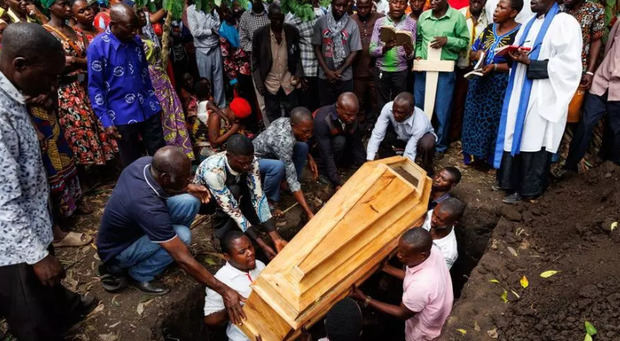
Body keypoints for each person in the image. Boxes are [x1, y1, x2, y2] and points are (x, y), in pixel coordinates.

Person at [0, 23, 97, 341]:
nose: (54, 84)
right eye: (49, 76)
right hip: (11, 244)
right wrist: (37, 255)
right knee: (30, 312)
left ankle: (65, 309)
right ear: (21, 65)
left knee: (48, 285)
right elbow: (4, 200)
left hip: (32, 217)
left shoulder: (11, 90)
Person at [96, 147, 246, 322]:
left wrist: (187, 187)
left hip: (138, 226)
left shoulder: (144, 164)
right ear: (165, 178)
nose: (189, 180)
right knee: (182, 236)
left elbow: (166, 189)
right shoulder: (147, 207)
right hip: (119, 250)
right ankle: (140, 274)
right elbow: (183, 257)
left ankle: (165, 246)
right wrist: (224, 290)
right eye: (184, 178)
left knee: (190, 201)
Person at [493, 0, 582, 204]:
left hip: (542, 93)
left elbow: (570, 66)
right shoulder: (528, 24)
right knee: (515, 133)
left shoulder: (565, 23)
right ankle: (509, 183)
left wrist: (531, 63)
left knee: (533, 137)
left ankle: (529, 190)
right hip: (519, 87)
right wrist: (512, 55)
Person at [87, 4, 166, 167]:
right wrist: (106, 120)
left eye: (136, 28)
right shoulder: (97, 46)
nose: (135, 32)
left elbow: (144, 74)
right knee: (132, 161)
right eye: (130, 28)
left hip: (147, 107)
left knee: (159, 154)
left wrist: (154, 102)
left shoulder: (135, 41)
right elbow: (95, 87)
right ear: (114, 25)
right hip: (121, 113)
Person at [43, 0, 118, 169]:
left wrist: (76, 61)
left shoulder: (74, 31)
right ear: (50, 7)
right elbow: (51, 65)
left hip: (85, 86)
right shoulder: (46, 33)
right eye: (63, 5)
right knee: (78, 130)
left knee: (96, 125)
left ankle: (104, 168)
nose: (68, 9)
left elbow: (91, 60)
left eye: (68, 4)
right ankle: (87, 173)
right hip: (66, 90)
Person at [351, 228, 453, 341]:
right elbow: (412, 276)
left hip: (425, 331)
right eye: (399, 250)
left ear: (422, 255)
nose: (398, 256)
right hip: (437, 306)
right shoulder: (433, 252)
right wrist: (386, 268)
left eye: (404, 255)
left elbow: (402, 313)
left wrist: (365, 299)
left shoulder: (421, 286)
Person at [194, 135, 287, 259]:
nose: (246, 166)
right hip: (206, 200)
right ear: (228, 157)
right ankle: (221, 234)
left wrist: (276, 238)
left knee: (247, 187)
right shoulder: (214, 172)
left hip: (232, 186)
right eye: (242, 163)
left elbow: (258, 198)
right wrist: (263, 245)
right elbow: (233, 210)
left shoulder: (250, 162)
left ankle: (251, 226)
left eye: (249, 162)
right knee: (234, 192)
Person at [461, 0, 521, 167]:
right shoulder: (489, 29)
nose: (496, 10)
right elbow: (472, 51)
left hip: (498, 85)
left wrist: (494, 66)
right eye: (496, 6)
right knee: (472, 117)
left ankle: (486, 159)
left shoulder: (520, 33)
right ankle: (471, 155)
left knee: (491, 120)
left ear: (513, 13)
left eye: (502, 8)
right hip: (478, 80)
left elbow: (517, 63)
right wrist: (477, 55)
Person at [552, 0, 604, 175]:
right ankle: (551, 159)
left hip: (577, 73)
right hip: (553, 70)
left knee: (571, 117)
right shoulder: (558, 9)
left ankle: (568, 161)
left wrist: (589, 72)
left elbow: (596, 41)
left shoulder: (595, 9)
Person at [414, 0, 469, 156]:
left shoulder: (457, 17)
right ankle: (418, 143)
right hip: (423, 70)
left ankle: (439, 146)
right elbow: (418, 40)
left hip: (444, 71)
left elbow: (465, 42)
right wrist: (418, 54)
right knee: (420, 107)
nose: (433, 1)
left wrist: (448, 41)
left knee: (442, 110)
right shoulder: (424, 17)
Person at [138, 9, 194, 160]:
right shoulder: (132, 40)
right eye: (139, 15)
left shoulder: (146, 32)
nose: (143, 17)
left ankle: (178, 150)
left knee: (171, 113)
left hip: (162, 79)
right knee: (160, 118)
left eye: (144, 14)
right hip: (149, 82)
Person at [566, 18, 620, 171]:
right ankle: (570, 165)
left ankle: (611, 166)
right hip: (602, 81)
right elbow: (609, 45)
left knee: (616, 129)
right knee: (586, 122)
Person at [253, 107, 317, 218]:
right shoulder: (283, 141)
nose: (309, 135)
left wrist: (310, 157)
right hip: (255, 161)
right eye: (305, 131)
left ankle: (283, 183)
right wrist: (309, 212)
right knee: (279, 167)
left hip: (272, 153)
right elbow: (291, 176)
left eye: (311, 130)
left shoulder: (285, 121)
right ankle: (269, 200)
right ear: (293, 125)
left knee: (303, 147)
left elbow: (298, 140)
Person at [203, 231, 266, 341]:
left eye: (250, 247)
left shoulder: (259, 265)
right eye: (242, 252)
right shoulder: (220, 281)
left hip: (271, 330)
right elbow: (209, 320)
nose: (250, 253)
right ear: (227, 256)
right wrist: (233, 310)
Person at [252, 4, 303, 123]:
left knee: (293, 114)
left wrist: (298, 74)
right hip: (270, 83)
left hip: (288, 81)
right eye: (275, 19)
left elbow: (297, 55)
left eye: (280, 18)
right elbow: (255, 62)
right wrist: (259, 84)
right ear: (269, 17)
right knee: (273, 116)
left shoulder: (292, 31)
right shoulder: (259, 34)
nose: (278, 22)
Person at [366, 92, 436, 174]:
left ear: (411, 112)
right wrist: (370, 158)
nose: (395, 115)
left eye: (400, 112)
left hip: (419, 141)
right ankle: (387, 163)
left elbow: (410, 150)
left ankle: (427, 168)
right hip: (399, 135)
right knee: (383, 135)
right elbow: (377, 133)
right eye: (394, 111)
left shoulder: (420, 123)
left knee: (427, 143)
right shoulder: (388, 107)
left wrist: (404, 171)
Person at [450, 0, 488, 142]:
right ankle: (453, 136)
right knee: (456, 102)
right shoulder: (458, 15)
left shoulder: (489, 18)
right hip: (458, 66)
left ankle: (467, 137)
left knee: (473, 103)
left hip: (478, 68)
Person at [312, 0, 362, 106]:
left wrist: (340, 71)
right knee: (325, 107)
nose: (341, 9)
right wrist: (327, 71)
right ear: (332, 4)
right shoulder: (321, 22)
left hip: (344, 76)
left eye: (344, 6)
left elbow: (354, 51)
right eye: (338, 5)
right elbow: (317, 48)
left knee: (345, 107)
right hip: (324, 75)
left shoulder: (352, 24)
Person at [312, 92, 366, 190]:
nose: (352, 118)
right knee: (339, 142)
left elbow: (357, 144)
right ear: (338, 109)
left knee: (345, 141)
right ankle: (323, 172)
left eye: (355, 115)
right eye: (348, 115)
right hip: (318, 146)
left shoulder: (351, 116)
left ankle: (340, 164)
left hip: (337, 140)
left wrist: (366, 167)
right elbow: (327, 153)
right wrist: (336, 181)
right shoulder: (323, 120)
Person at [369, 0, 416, 112]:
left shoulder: (412, 23)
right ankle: (384, 128)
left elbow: (411, 55)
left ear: (406, 5)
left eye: (401, 3)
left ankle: (397, 129)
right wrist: (385, 48)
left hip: (401, 71)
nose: (398, 6)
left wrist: (409, 52)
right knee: (381, 104)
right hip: (381, 69)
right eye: (394, 2)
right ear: (389, 3)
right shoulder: (380, 22)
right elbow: (371, 50)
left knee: (400, 105)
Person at [186, 1, 226, 108]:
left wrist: (215, 29)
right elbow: (194, 32)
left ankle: (221, 106)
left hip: (215, 47)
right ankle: (209, 108)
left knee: (219, 79)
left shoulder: (212, 7)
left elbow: (218, 27)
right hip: (202, 50)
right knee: (205, 82)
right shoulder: (191, 10)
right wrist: (210, 31)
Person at [285, 0, 321, 112]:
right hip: (307, 70)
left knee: (318, 104)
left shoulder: (318, 16)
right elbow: (292, 52)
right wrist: (299, 74)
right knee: (307, 105)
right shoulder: (292, 22)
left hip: (320, 68)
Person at [351, 0, 383, 126]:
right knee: (359, 102)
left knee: (376, 102)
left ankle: (376, 128)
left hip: (376, 69)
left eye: (366, 7)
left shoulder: (380, 19)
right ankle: (361, 130)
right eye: (360, 7)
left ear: (371, 6)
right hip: (358, 70)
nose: (363, 10)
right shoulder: (351, 20)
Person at [239, 0, 270, 118]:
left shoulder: (271, 11)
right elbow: (243, 40)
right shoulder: (245, 16)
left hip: (276, 58)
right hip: (257, 61)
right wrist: (257, 47)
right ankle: (269, 130)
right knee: (262, 101)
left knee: (279, 97)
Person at [421, 197, 466, 269]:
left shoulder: (448, 252)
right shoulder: (431, 215)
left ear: (454, 223)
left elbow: (434, 277)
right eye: (434, 214)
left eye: (440, 220)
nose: (433, 219)